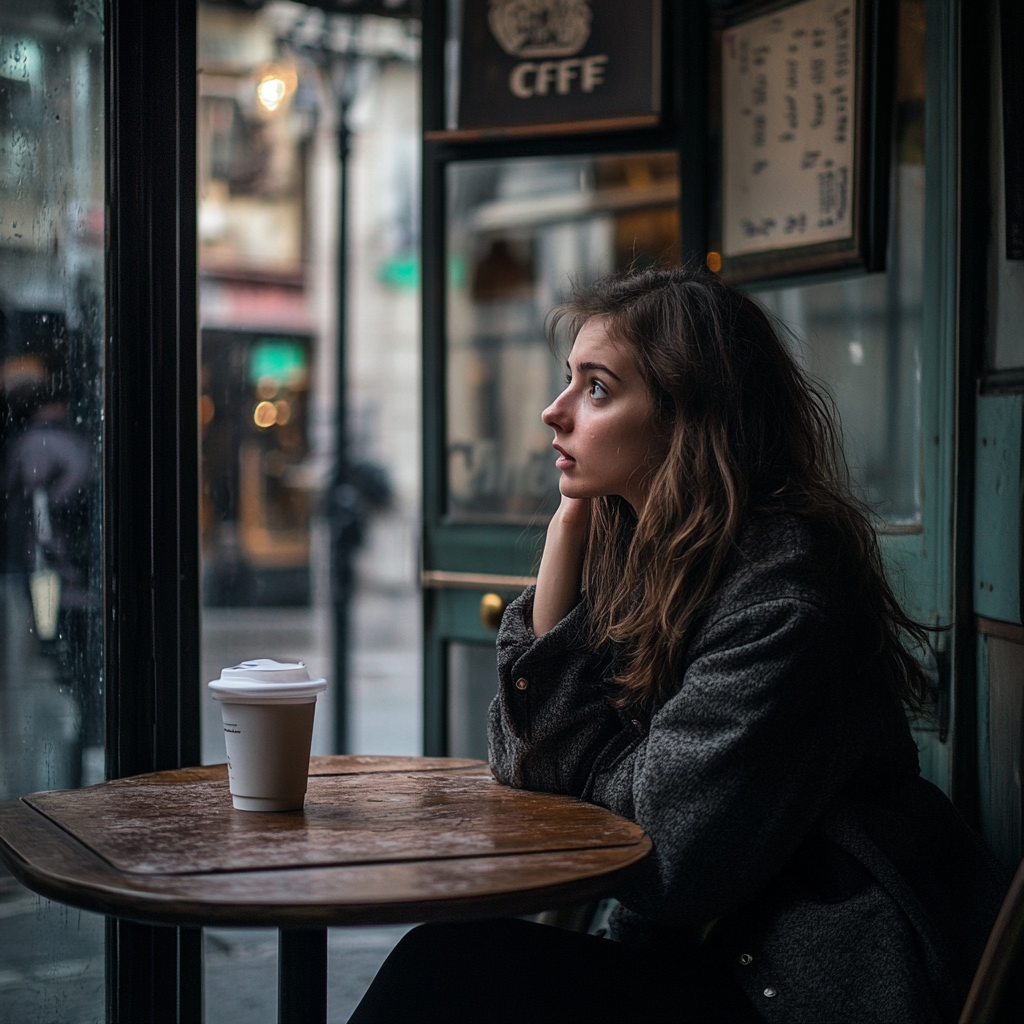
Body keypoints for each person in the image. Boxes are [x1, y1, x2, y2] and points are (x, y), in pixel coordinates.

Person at [350, 267, 1007, 1023]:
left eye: (596, 388)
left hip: (794, 984)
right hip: (702, 954)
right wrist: (567, 531)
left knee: (447, 970)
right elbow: (524, 767)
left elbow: (668, 861)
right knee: (446, 961)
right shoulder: (649, 554)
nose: (553, 411)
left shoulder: (781, 591)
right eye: (570, 381)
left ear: (685, 417)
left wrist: (595, 774)